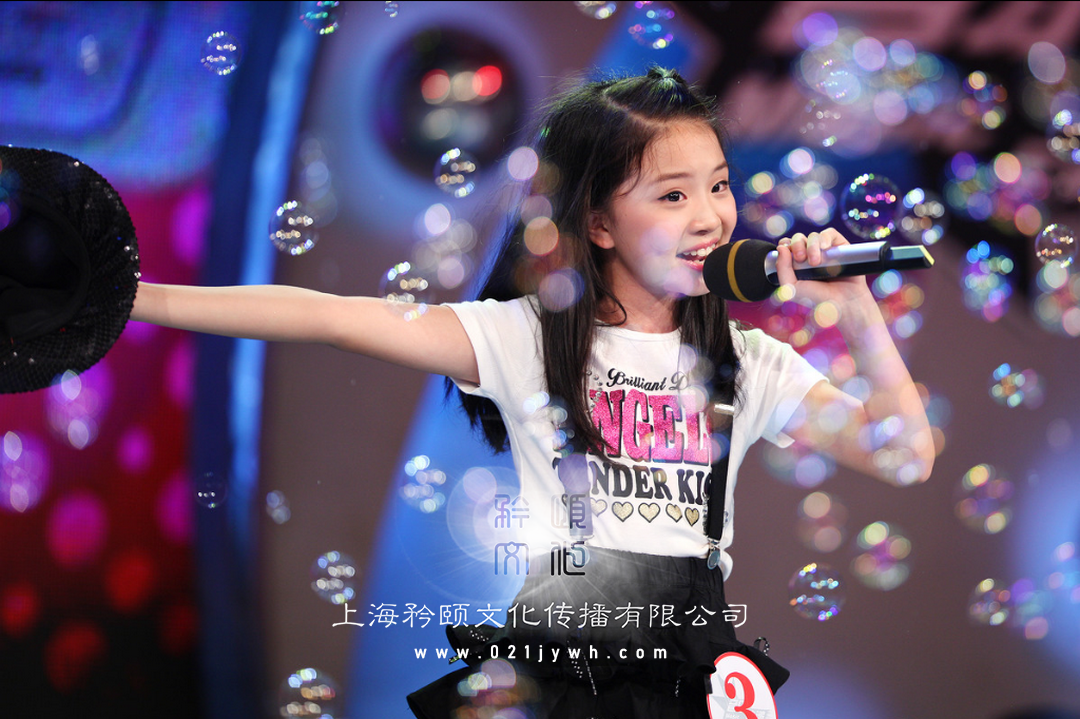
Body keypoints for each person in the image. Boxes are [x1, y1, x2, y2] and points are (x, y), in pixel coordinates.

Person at [130, 67, 934, 717]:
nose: (709, 217)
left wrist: (856, 307)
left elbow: (905, 456)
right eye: (673, 194)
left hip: (692, 668)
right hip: (560, 664)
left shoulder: (746, 360)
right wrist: (137, 298)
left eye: (718, 186)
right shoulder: (526, 338)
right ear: (600, 222)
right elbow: (331, 316)